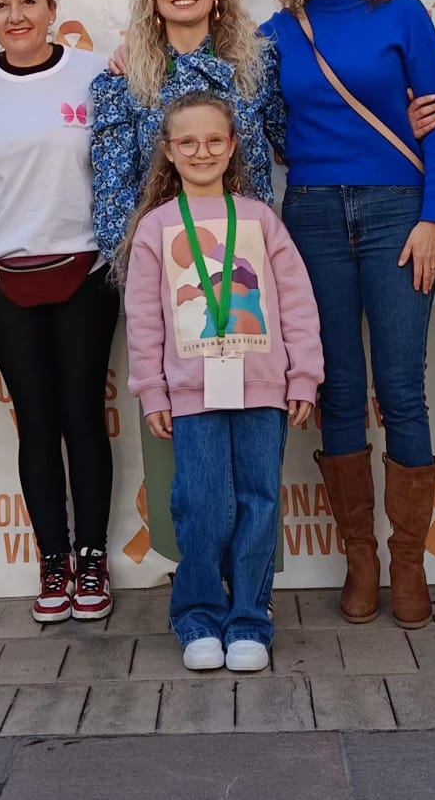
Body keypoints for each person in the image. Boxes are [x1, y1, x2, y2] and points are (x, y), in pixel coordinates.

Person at [263, 0, 435, 631]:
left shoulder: (402, 12)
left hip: (395, 214)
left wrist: (432, 217)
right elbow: (260, 126)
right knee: (338, 389)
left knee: (401, 388)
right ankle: (360, 560)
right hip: (310, 216)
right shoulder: (277, 32)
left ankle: (407, 562)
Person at [91, 0, 286, 563]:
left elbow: (288, 146)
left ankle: (250, 575)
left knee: (251, 425)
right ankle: (195, 573)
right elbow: (112, 189)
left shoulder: (256, 67)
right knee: (181, 432)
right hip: (169, 280)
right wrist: (142, 271)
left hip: (248, 271)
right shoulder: (122, 79)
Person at [122, 93, 322, 673]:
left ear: (233, 146)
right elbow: (144, 317)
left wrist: (303, 376)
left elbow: (297, 303)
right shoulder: (156, 228)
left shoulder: (260, 219)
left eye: (214, 140)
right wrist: (152, 389)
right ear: (168, 151)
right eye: (187, 142)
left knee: (258, 502)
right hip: (192, 391)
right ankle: (199, 615)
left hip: (261, 385)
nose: (201, 151)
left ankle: (250, 620)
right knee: (202, 503)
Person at [0, 0, 117, 624]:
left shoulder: (94, 72)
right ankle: (51, 557)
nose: (16, 15)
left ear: (53, 7)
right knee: (36, 423)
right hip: (4, 274)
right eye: (1, 4)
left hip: (85, 268)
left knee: (82, 416)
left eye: (28, 0)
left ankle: (90, 557)